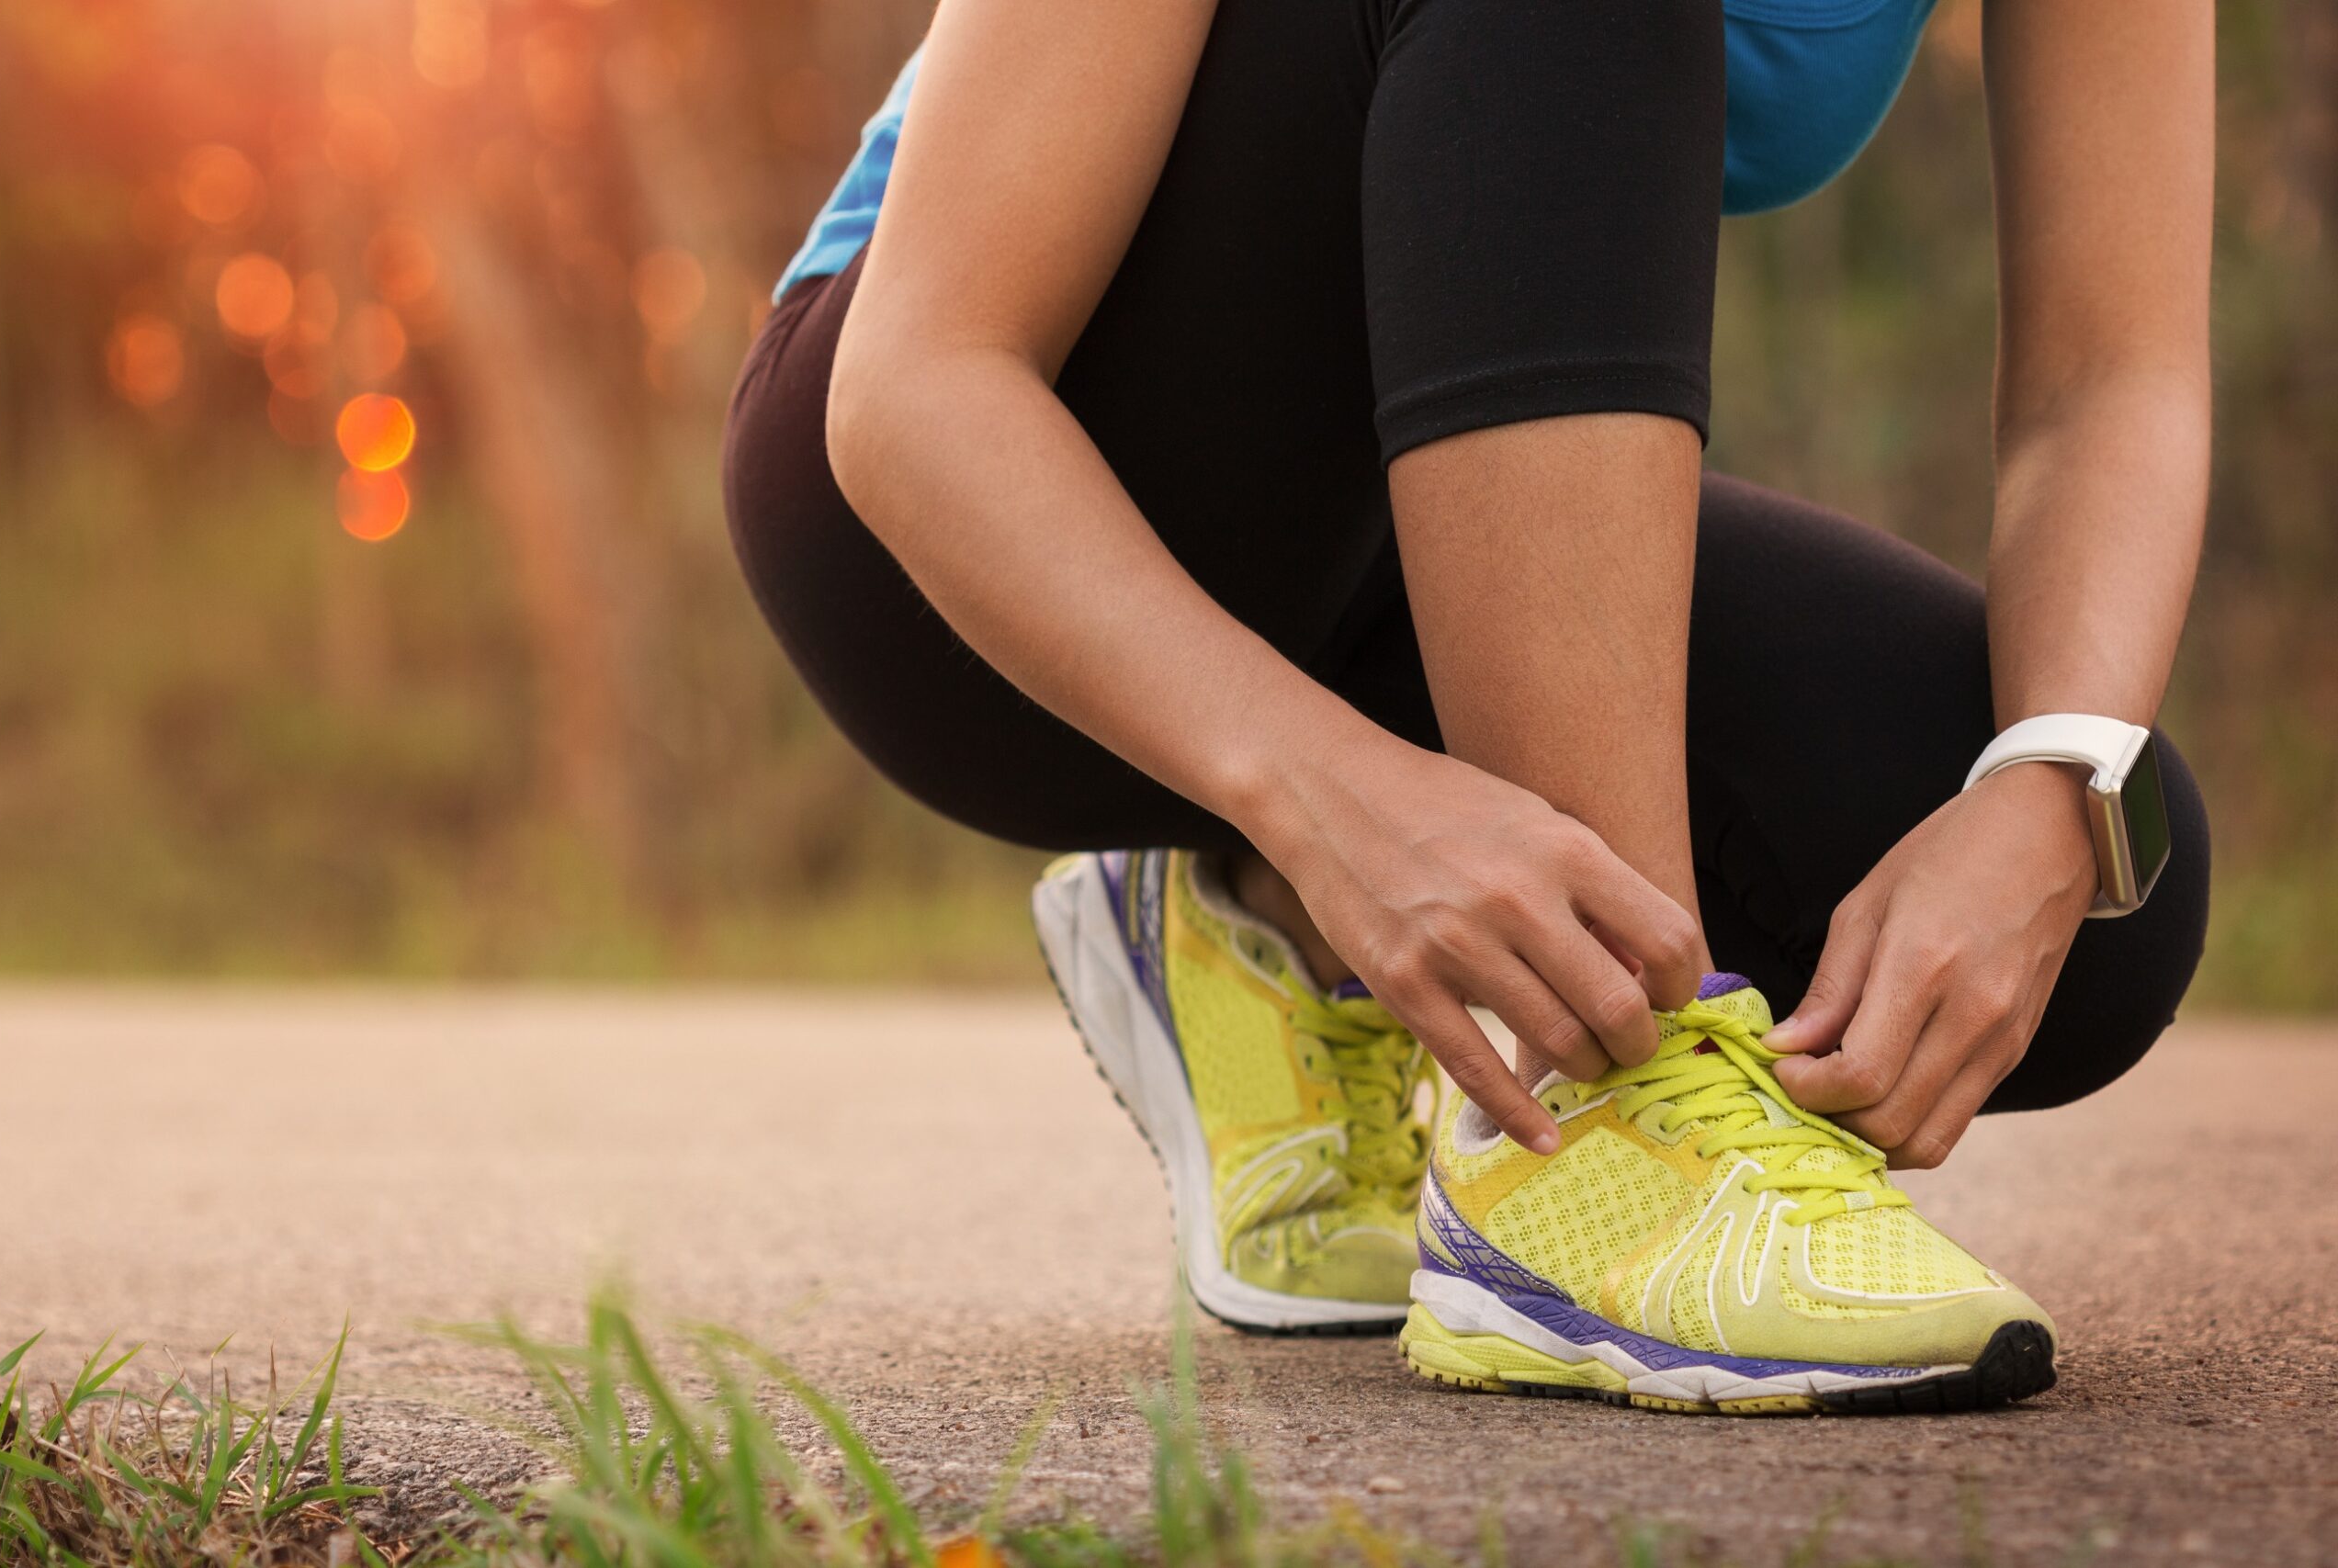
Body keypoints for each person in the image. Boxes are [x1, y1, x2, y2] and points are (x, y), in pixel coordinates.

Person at [722, 0, 2211, 1415]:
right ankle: (1596, 1132)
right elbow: (918, 384)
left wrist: (2052, 787)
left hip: (1401, 508)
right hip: (969, 517)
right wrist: (1322, 797)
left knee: (2105, 910)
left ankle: (1256, 931)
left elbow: (2110, 376)